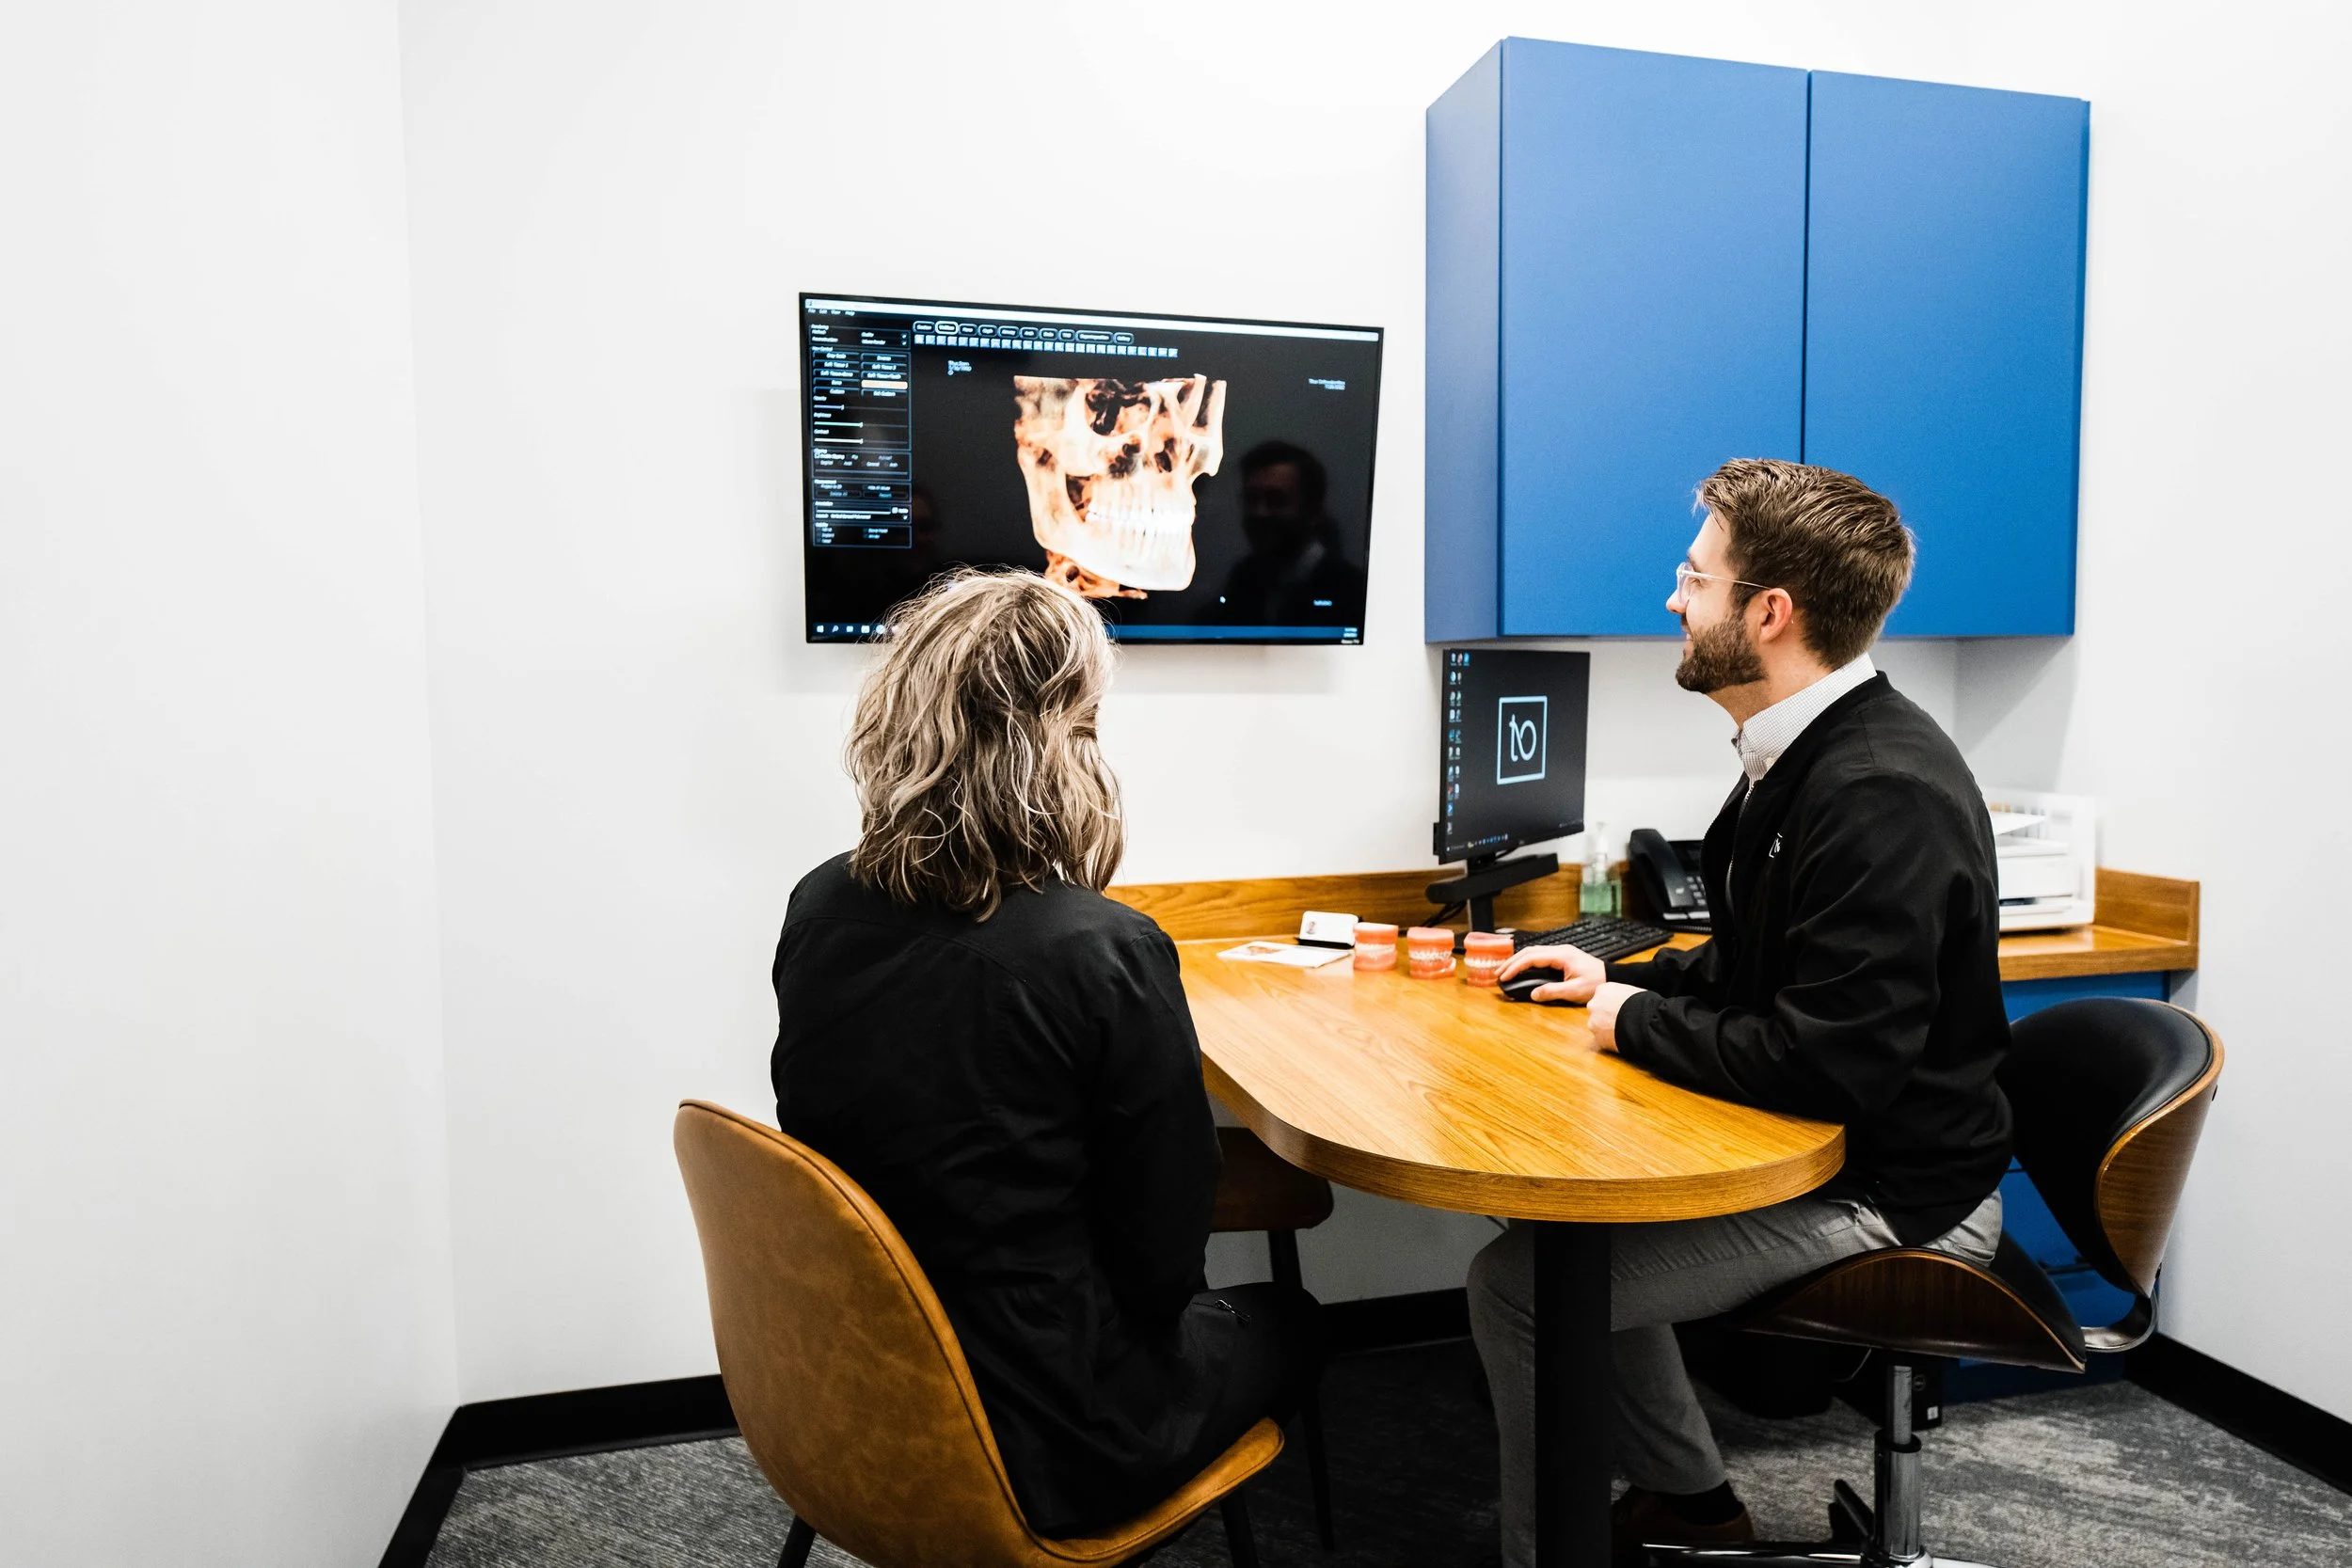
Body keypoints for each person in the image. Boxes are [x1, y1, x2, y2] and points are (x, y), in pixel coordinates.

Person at [1476, 459, 2012, 1565]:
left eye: (1692, 576)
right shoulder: (1797, 754)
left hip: (1892, 1188)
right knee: (1558, 1239)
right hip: (1840, 1148)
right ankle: (1692, 1502)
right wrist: (1634, 980)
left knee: (1524, 1287)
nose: (1673, 598)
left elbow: (1830, 1063)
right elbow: (1767, 961)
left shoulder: (1877, 789)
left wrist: (1627, 1018)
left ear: (1768, 612)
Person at [769, 568, 1318, 1537]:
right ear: (1064, 735)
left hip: (859, 1384)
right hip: (1052, 1437)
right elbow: (1162, 1266)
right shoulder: (1101, 948)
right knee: (1295, 1319)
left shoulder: (821, 903)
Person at [1199, 440, 1368, 626]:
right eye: (1251, 499)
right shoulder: (1244, 577)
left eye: (1276, 500)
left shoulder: (1350, 589)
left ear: (1314, 510)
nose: (1259, 512)